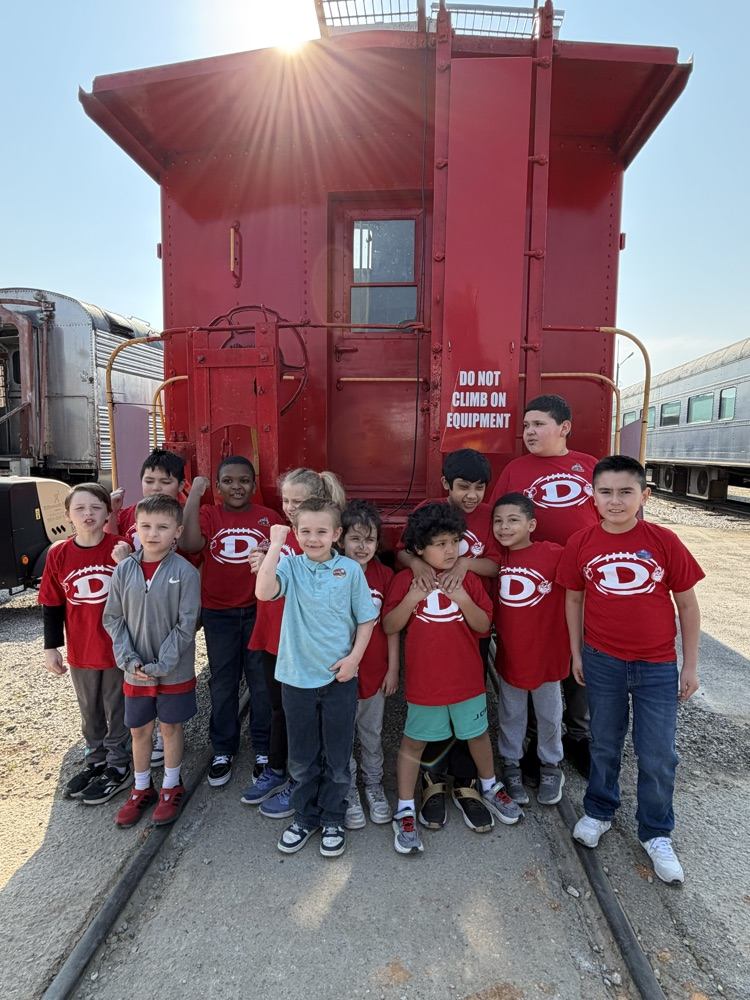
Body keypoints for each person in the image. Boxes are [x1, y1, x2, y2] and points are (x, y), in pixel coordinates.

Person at [557, 455, 704, 884]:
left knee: (658, 753)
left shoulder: (663, 540)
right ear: (592, 496)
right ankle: (600, 809)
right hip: (602, 661)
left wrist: (689, 666)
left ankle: (656, 831)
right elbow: (573, 599)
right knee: (604, 741)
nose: (615, 501)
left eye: (625, 492)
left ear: (645, 495)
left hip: (657, 663)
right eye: (606, 492)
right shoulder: (582, 543)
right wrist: (577, 653)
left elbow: (688, 605)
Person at [383, 503, 522, 855]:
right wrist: (413, 596)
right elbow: (389, 626)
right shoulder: (405, 580)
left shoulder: (469, 580)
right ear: (418, 549)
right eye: (440, 543)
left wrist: (461, 597)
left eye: (455, 542)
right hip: (425, 685)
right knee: (413, 743)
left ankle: (489, 786)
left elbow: (483, 627)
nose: (450, 550)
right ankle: (404, 809)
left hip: (466, 682)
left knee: (477, 734)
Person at [255, 498, 377, 858]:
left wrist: (354, 659)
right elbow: (263, 592)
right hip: (296, 679)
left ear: (336, 535)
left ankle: (334, 817)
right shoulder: (290, 566)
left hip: (339, 678)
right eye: (304, 531)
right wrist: (276, 545)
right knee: (303, 757)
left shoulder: (350, 571)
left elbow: (366, 619)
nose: (312, 538)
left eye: (321, 531)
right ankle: (305, 817)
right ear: (295, 533)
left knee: (338, 755)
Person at [488, 394, 600, 778]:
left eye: (538, 424)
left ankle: (580, 737)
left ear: (564, 427)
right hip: (532, 581)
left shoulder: (590, 467)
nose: (529, 432)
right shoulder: (515, 469)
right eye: (525, 426)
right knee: (538, 657)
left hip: (584, 582)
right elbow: (497, 522)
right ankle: (536, 740)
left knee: (580, 655)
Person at [396, 449, 500, 832]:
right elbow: (404, 550)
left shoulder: (489, 516)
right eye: (462, 487)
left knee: (467, 711)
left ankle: (468, 781)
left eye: (478, 488)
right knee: (434, 709)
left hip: (471, 617)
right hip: (437, 629)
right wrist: (418, 563)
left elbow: (497, 562)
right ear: (446, 485)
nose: (471, 495)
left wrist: (465, 564)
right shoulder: (430, 509)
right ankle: (431, 780)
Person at [242, 468, 346, 818]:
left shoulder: (316, 540)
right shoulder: (280, 538)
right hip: (273, 634)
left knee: (302, 713)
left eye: (298, 501)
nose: (289, 507)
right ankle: (276, 769)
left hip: (301, 638)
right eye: (286, 500)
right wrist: (264, 557)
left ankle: (302, 782)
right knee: (277, 707)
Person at [179, 456, 283, 788]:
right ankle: (223, 748)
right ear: (218, 485)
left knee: (261, 682)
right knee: (222, 682)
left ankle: (264, 749)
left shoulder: (269, 519)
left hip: (258, 612)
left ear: (254, 483)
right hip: (219, 614)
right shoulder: (209, 513)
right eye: (228, 481)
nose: (236, 487)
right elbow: (190, 544)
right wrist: (195, 494)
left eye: (244, 480)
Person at [103, 495, 201, 827]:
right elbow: (113, 618)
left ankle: (172, 785)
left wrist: (161, 664)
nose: (153, 533)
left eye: (162, 527)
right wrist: (129, 661)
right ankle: (141, 788)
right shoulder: (124, 570)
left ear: (178, 531)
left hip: (172, 671)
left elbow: (186, 624)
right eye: (146, 526)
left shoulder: (185, 573)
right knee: (140, 730)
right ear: (135, 529)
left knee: (171, 728)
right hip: (135, 671)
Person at [39, 483, 132, 803]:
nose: (88, 514)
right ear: (67, 515)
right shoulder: (59, 553)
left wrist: (126, 565)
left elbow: (139, 595)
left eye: (95, 507)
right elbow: (51, 604)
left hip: (116, 649)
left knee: (116, 708)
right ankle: (97, 761)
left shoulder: (121, 547)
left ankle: (119, 766)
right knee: (89, 711)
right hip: (81, 650)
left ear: (109, 512)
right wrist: (52, 647)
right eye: (79, 508)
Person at [108, 447, 188, 771]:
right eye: (149, 480)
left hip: (171, 603)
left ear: (179, 485)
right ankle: (144, 733)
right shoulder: (130, 514)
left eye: (164, 481)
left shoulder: (179, 517)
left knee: (169, 672)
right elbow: (112, 545)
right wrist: (112, 514)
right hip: (136, 605)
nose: (155, 487)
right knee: (138, 674)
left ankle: (166, 737)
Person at [491, 493, 568, 806]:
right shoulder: (496, 558)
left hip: (547, 654)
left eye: (513, 520)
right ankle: (511, 763)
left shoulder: (552, 553)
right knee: (511, 712)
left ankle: (551, 764)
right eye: (498, 521)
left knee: (549, 713)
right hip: (511, 653)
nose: (504, 527)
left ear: (531, 524)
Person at [339, 500, 399, 829]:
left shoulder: (384, 575)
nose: (363, 547)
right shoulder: (331, 570)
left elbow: (390, 626)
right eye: (355, 539)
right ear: (340, 539)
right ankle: (348, 790)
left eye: (370, 540)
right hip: (338, 673)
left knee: (372, 733)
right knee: (342, 736)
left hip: (374, 670)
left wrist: (393, 669)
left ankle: (373, 785)